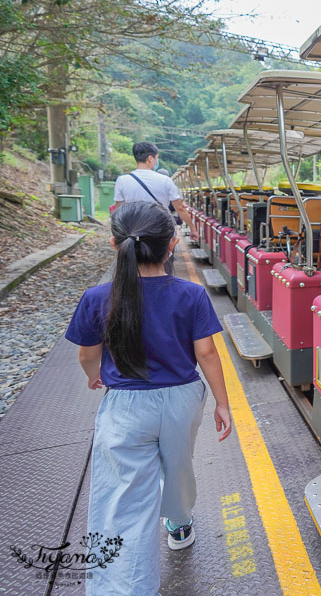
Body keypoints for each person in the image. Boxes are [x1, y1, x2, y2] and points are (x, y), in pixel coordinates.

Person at [65, 201, 232, 595]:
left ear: (114, 244)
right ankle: (178, 520)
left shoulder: (97, 298)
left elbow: (87, 354)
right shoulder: (191, 295)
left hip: (126, 406)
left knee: (124, 502)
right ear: (172, 244)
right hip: (181, 400)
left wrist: (94, 377)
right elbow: (206, 354)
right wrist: (224, 403)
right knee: (177, 466)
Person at [113, 142, 194, 233]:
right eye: (157, 158)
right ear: (150, 158)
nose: (157, 161)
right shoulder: (166, 180)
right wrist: (193, 229)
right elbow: (180, 208)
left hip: (133, 229)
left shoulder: (122, 180)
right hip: (160, 229)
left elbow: (119, 208)